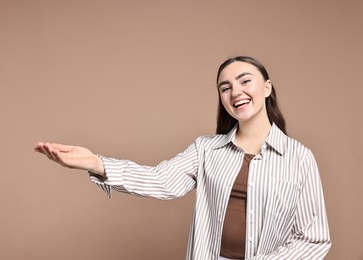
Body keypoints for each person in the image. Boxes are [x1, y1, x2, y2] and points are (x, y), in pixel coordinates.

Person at [34, 56, 331, 259]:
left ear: (266, 87)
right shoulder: (206, 150)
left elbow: (314, 238)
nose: (235, 92)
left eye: (245, 81)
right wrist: (96, 163)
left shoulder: (300, 158)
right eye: (224, 88)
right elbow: (161, 180)